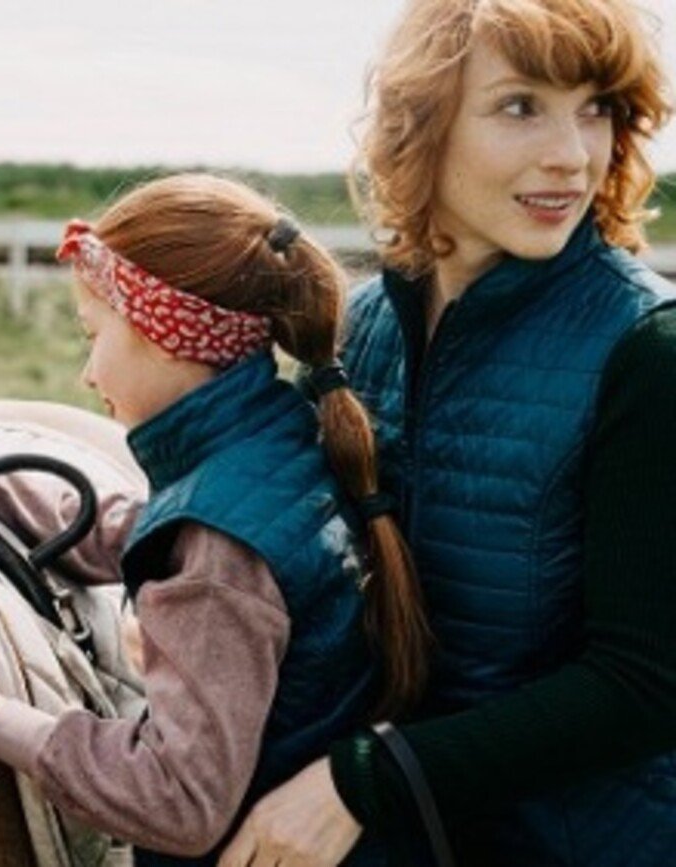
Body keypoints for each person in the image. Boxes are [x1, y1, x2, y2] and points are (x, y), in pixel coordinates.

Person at [0, 173, 431, 864]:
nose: (86, 373)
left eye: (94, 335)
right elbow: (134, 528)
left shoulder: (220, 543)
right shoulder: (272, 446)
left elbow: (179, 799)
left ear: (167, 335)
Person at [219, 1, 676, 865]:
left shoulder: (647, 353)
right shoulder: (360, 332)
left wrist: (366, 776)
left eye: (597, 108)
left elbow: (647, 684)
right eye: (520, 106)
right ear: (420, 123)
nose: (572, 155)